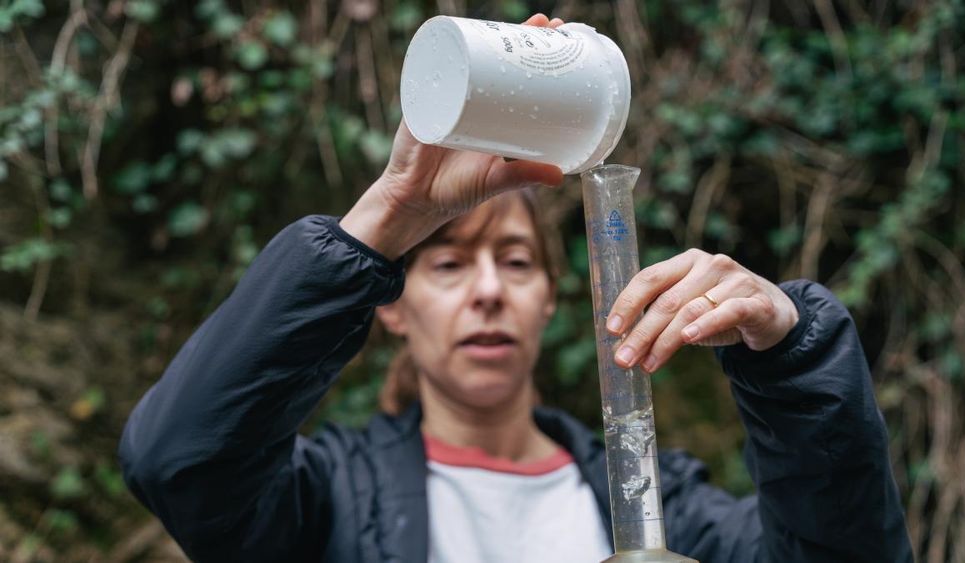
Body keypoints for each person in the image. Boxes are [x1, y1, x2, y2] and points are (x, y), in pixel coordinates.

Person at [118, 14, 913, 563]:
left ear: (554, 298)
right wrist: (390, 213)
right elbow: (178, 458)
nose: (489, 289)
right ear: (389, 304)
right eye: (449, 263)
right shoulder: (330, 502)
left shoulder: (666, 506)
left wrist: (791, 352)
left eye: (518, 261)